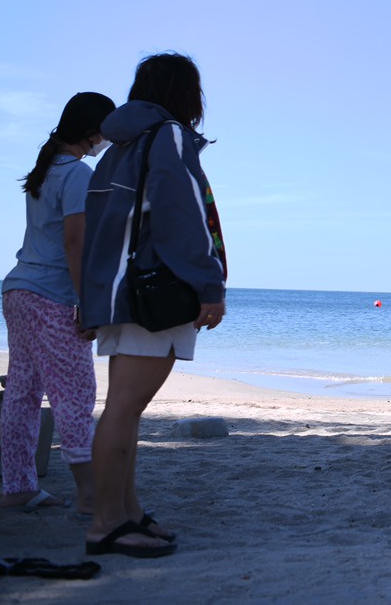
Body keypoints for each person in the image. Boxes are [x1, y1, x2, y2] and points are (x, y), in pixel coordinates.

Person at [78, 53, 227, 558]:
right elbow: (181, 215)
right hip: (152, 295)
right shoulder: (168, 136)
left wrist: (91, 299)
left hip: (121, 292)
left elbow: (99, 225)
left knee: (125, 408)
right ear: (187, 93)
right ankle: (106, 524)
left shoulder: (121, 144)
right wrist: (210, 285)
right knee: (123, 408)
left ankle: (127, 512)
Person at [0, 91, 116, 513]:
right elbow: (74, 242)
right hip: (50, 295)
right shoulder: (77, 175)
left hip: (18, 290)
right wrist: (88, 303)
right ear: (92, 131)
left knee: (23, 392)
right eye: (107, 129)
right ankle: (88, 492)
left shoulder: (45, 169)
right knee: (75, 393)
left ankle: (19, 487)